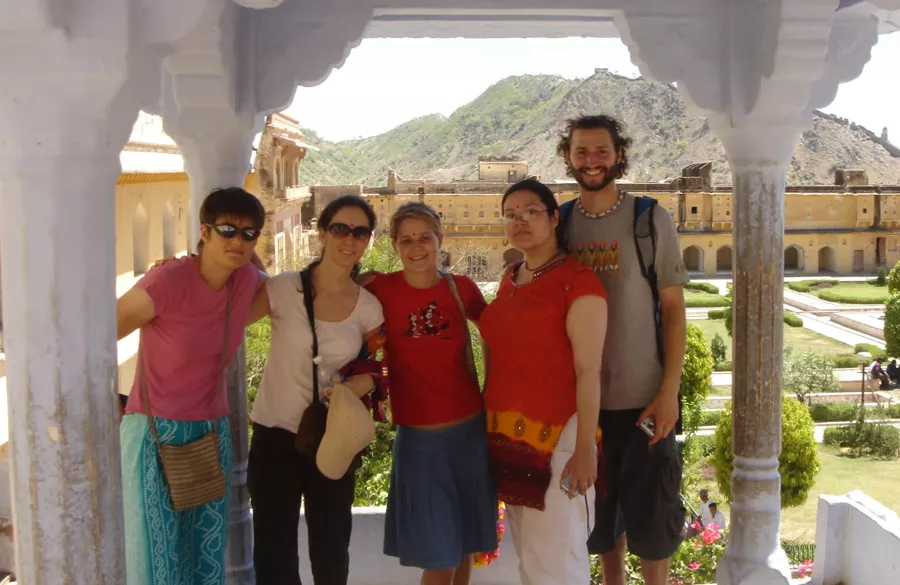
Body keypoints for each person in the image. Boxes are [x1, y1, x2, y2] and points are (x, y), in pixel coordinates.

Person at [556, 115, 689, 585]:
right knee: (600, 519)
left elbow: (673, 310)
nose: (591, 161)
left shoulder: (648, 218)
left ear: (618, 155)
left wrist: (668, 391)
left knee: (653, 516)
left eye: (601, 151)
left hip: (644, 399)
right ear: (568, 157)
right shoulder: (562, 222)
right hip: (584, 406)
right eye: (581, 152)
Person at [116, 187, 266, 585]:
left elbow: (299, 292)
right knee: (156, 561)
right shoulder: (167, 280)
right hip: (154, 433)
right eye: (228, 230)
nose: (238, 241)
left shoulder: (248, 282)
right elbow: (100, 333)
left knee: (205, 559)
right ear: (205, 231)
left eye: (249, 234)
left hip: (210, 432)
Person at [246, 195, 385, 585]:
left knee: (330, 552)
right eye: (340, 228)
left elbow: (385, 364)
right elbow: (226, 319)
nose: (349, 239)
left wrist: (367, 379)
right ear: (323, 231)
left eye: (360, 232)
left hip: (332, 439)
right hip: (275, 438)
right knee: (274, 556)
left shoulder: (368, 307)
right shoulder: (284, 288)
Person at [479, 179, 608, 584]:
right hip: (511, 445)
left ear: (554, 218)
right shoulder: (511, 278)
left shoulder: (578, 282)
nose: (519, 221)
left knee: (558, 564)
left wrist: (585, 449)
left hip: (559, 444)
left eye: (531, 211)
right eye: (510, 214)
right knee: (532, 562)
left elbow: (589, 372)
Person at [364, 201, 498, 585]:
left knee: (464, 546)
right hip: (420, 443)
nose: (416, 246)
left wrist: (491, 386)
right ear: (394, 245)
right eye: (406, 239)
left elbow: (494, 331)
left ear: (440, 240)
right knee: (438, 558)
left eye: (425, 237)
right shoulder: (379, 289)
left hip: (470, 434)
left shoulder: (462, 289)